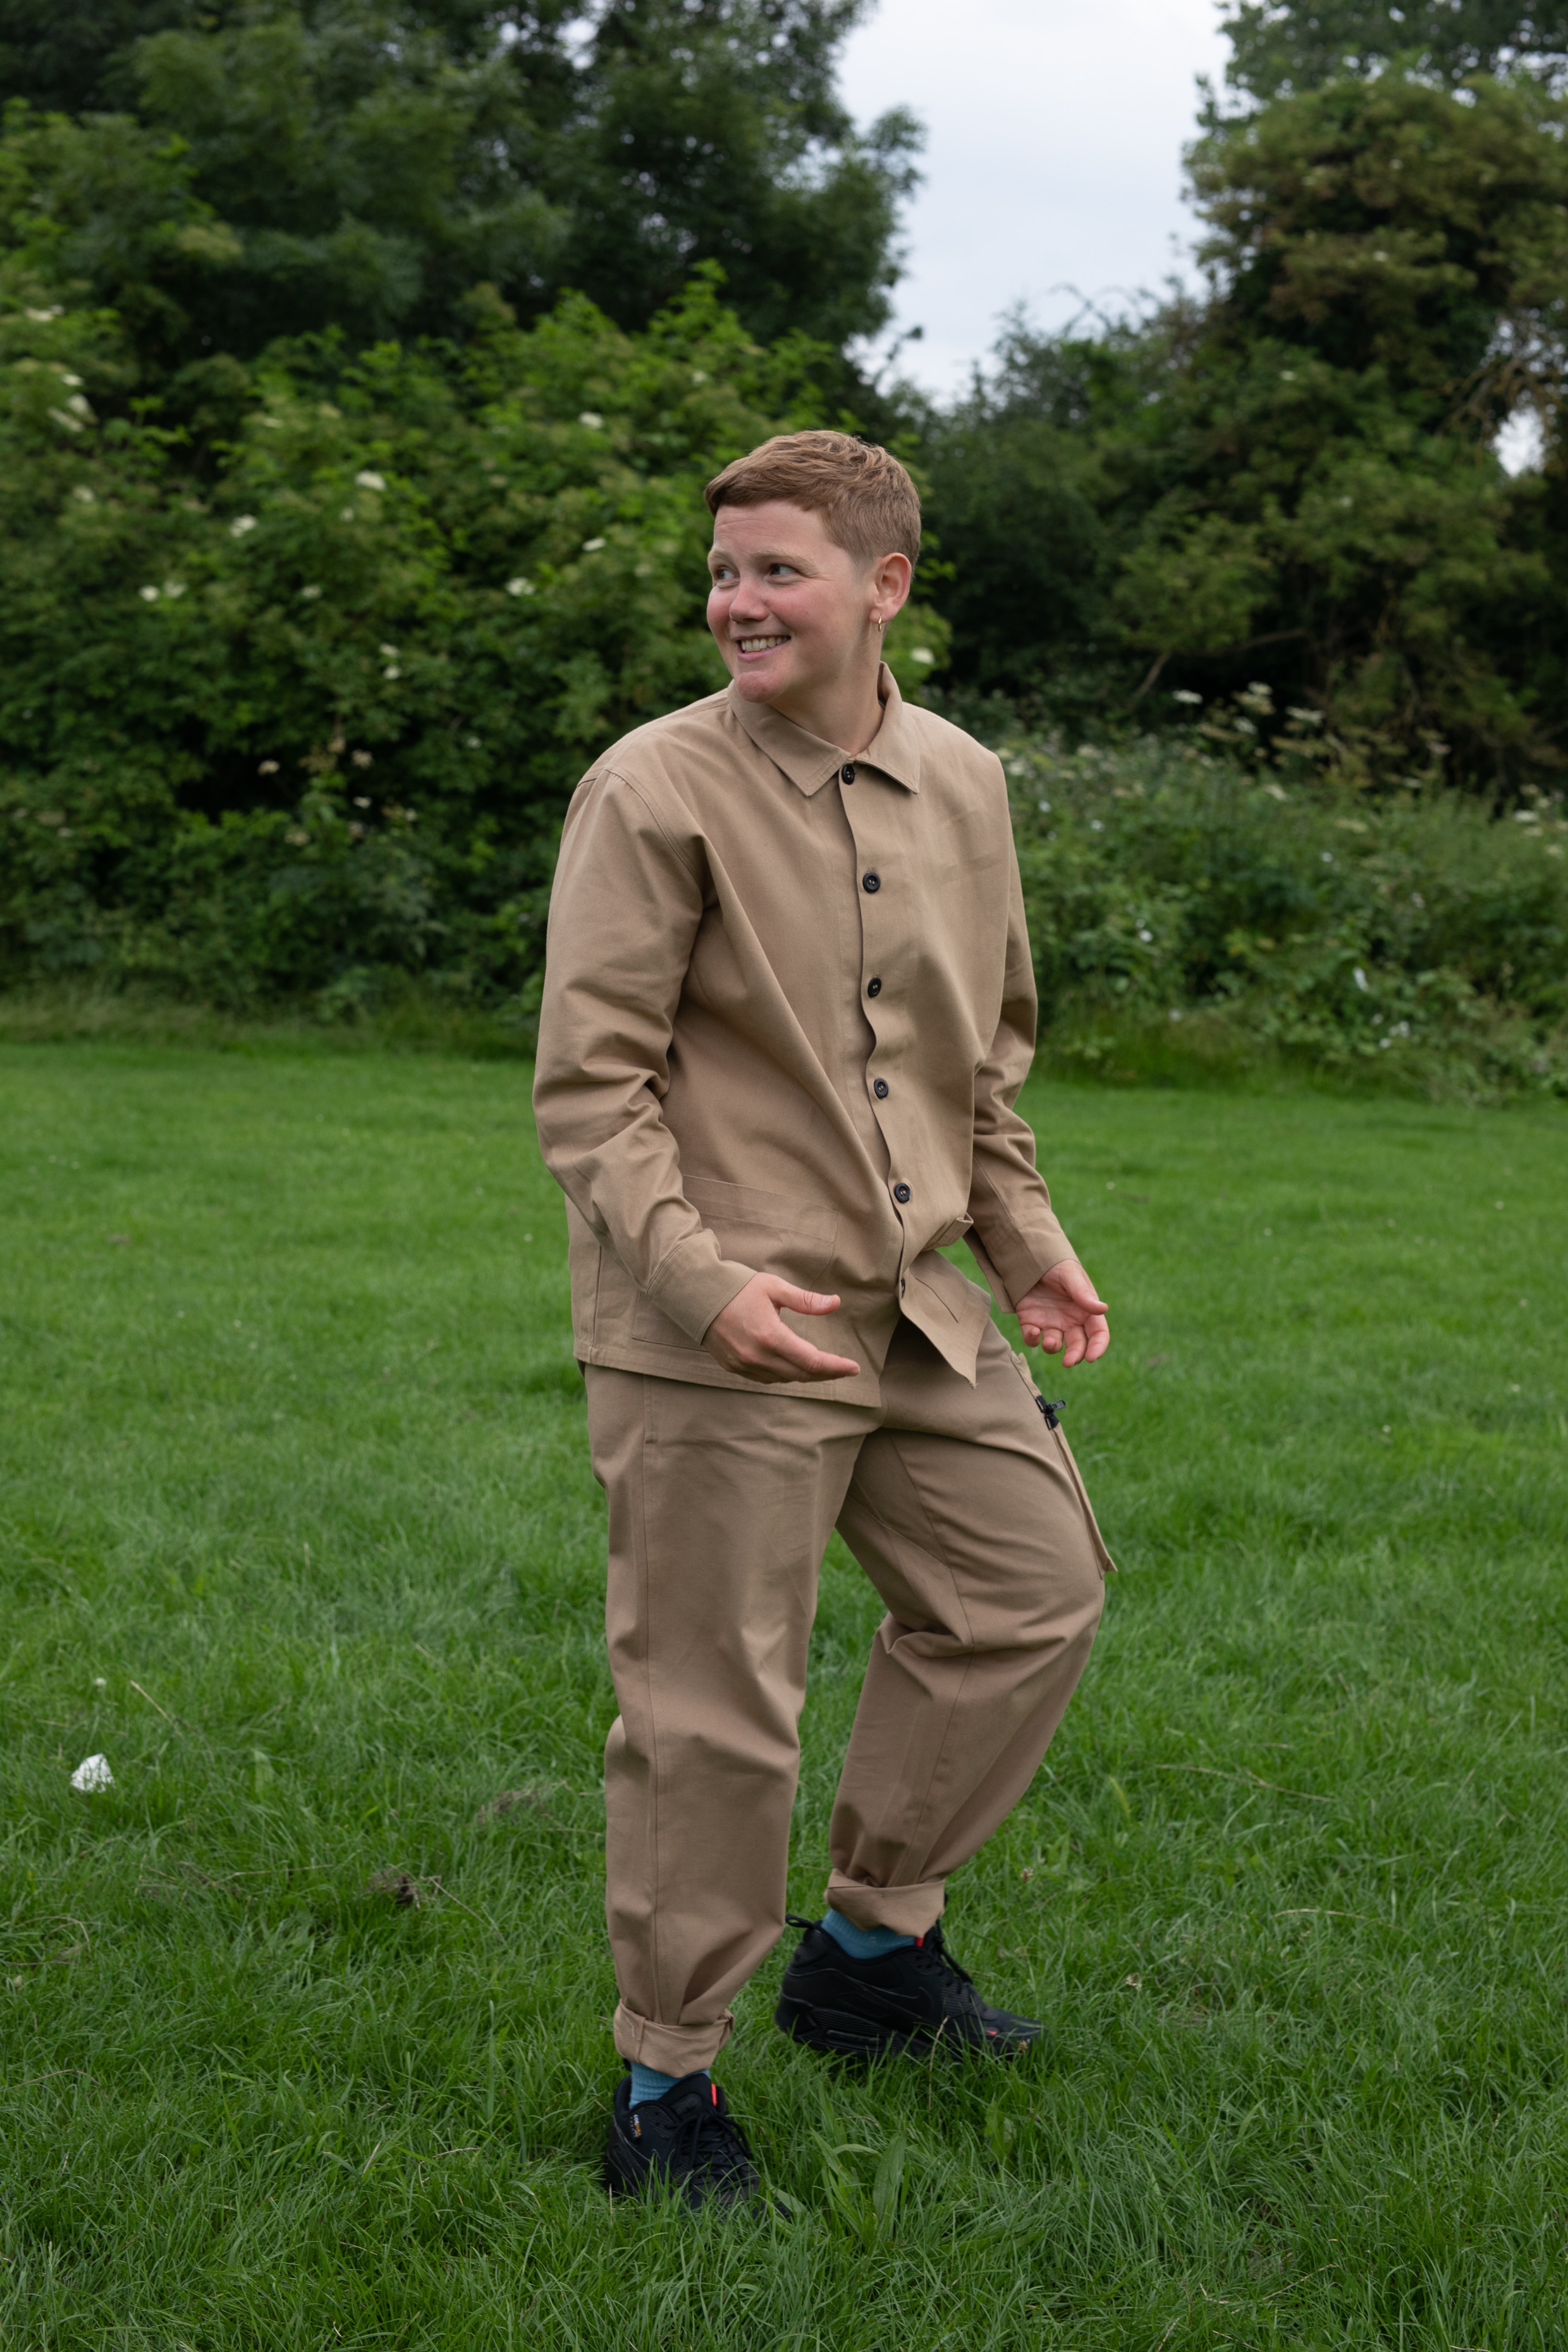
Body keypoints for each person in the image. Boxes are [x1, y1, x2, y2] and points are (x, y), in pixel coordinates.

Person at [532, 429, 1113, 2209]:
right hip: (716, 1315)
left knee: (1028, 1593)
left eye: (776, 568)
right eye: (722, 571)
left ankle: (867, 1962)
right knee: (718, 1711)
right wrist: (704, 1289)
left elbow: (980, 1057)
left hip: (911, 1302)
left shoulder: (965, 782)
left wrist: (1022, 1235)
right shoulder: (652, 789)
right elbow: (592, 1087)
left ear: (885, 588)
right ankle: (666, 2089)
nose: (736, 601)